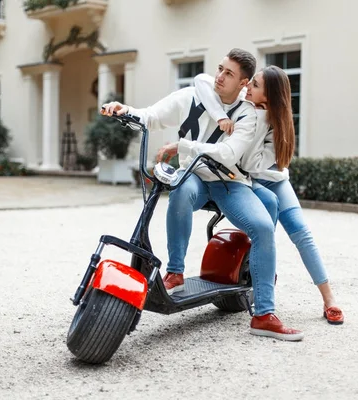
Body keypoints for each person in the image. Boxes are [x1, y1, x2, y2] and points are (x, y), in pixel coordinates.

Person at [102, 49, 304, 341]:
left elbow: (230, 153)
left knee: (262, 228)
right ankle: (175, 272)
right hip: (194, 176)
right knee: (181, 189)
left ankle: (263, 315)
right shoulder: (192, 96)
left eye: (229, 74)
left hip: (230, 181)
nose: (220, 77)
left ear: (244, 83)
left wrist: (184, 145)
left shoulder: (249, 114)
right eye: (220, 69)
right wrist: (125, 110)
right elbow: (153, 116)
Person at [194, 66, 344, 325]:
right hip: (248, 181)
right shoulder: (245, 106)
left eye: (255, 85)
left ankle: (329, 299)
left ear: (270, 95)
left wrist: (258, 122)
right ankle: (261, 274)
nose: (247, 87)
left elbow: (260, 166)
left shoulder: (276, 120)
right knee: (264, 231)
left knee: (302, 234)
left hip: (273, 180)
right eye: (249, 82)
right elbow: (201, 80)